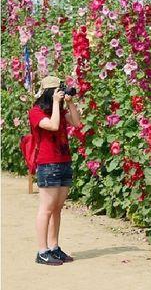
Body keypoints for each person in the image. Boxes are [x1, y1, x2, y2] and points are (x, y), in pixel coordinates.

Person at [28, 75, 81, 265]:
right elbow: (53, 125)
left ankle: (54, 247)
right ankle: (42, 251)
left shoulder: (57, 109)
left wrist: (70, 102)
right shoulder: (36, 112)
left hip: (64, 161)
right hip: (47, 163)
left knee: (57, 208)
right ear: (49, 93)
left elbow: (76, 123)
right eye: (56, 91)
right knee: (46, 208)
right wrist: (57, 105)